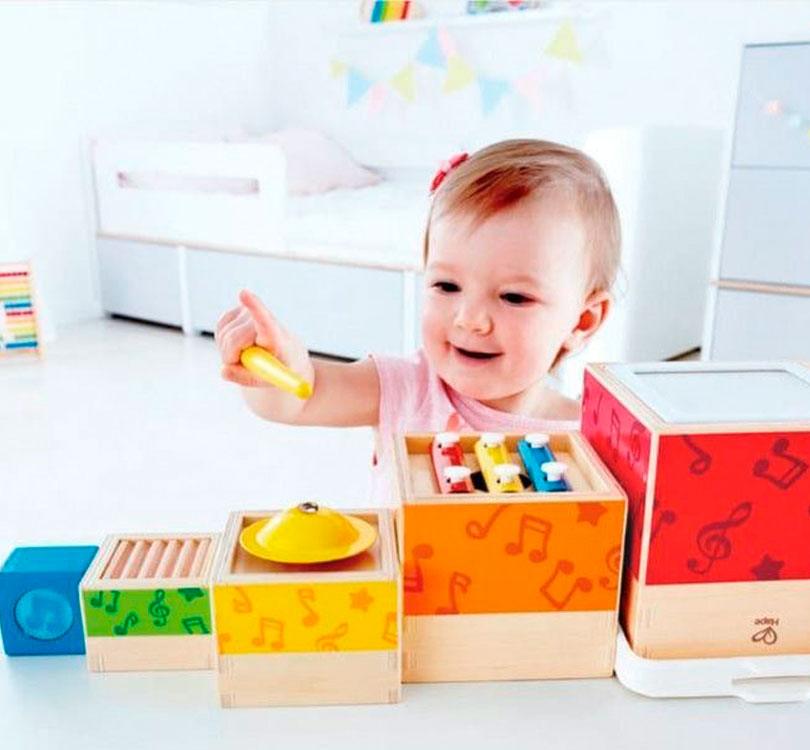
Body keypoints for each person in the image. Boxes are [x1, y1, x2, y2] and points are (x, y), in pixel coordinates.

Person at [215, 139, 621, 501]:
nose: (471, 319)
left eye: (514, 297)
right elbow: (302, 398)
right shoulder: (406, 389)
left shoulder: (594, 434)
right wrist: (277, 370)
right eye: (447, 286)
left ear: (581, 322)